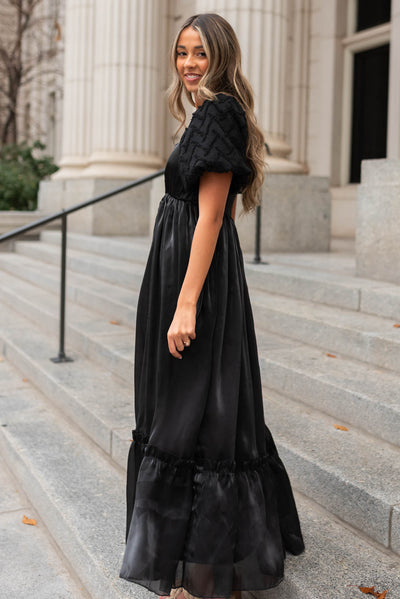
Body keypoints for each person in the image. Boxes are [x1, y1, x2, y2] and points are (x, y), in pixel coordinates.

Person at [119, 13, 304, 599]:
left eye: (200, 52)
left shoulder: (219, 110)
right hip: (179, 268)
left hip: (195, 276)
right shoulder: (200, 112)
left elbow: (213, 214)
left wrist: (186, 303)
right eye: (181, 52)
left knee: (199, 407)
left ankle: (201, 573)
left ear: (221, 55)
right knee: (186, 404)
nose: (189, 62)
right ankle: (187, 564)